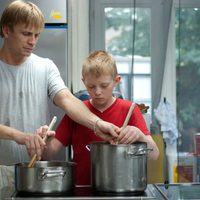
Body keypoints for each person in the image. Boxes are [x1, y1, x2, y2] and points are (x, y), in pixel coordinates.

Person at [0, 0, 119, 165]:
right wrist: (20, 136)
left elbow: (67, 100)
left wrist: (97, 124)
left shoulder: (45, 66)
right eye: (26, 34)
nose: (33, 42)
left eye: (37, 35)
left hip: (34, 171)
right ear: (6, 30)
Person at [42, 50, 160, 185]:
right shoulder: (76, 112)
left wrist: (140, 136)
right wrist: (43, 142)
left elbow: (154, 154)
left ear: (116, 81)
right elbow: (49, 154)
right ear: (83, 81)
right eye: (91, 86)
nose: (97, 92)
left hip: (121, 189)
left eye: (104, 86)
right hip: (83, 190)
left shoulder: (130, 109)